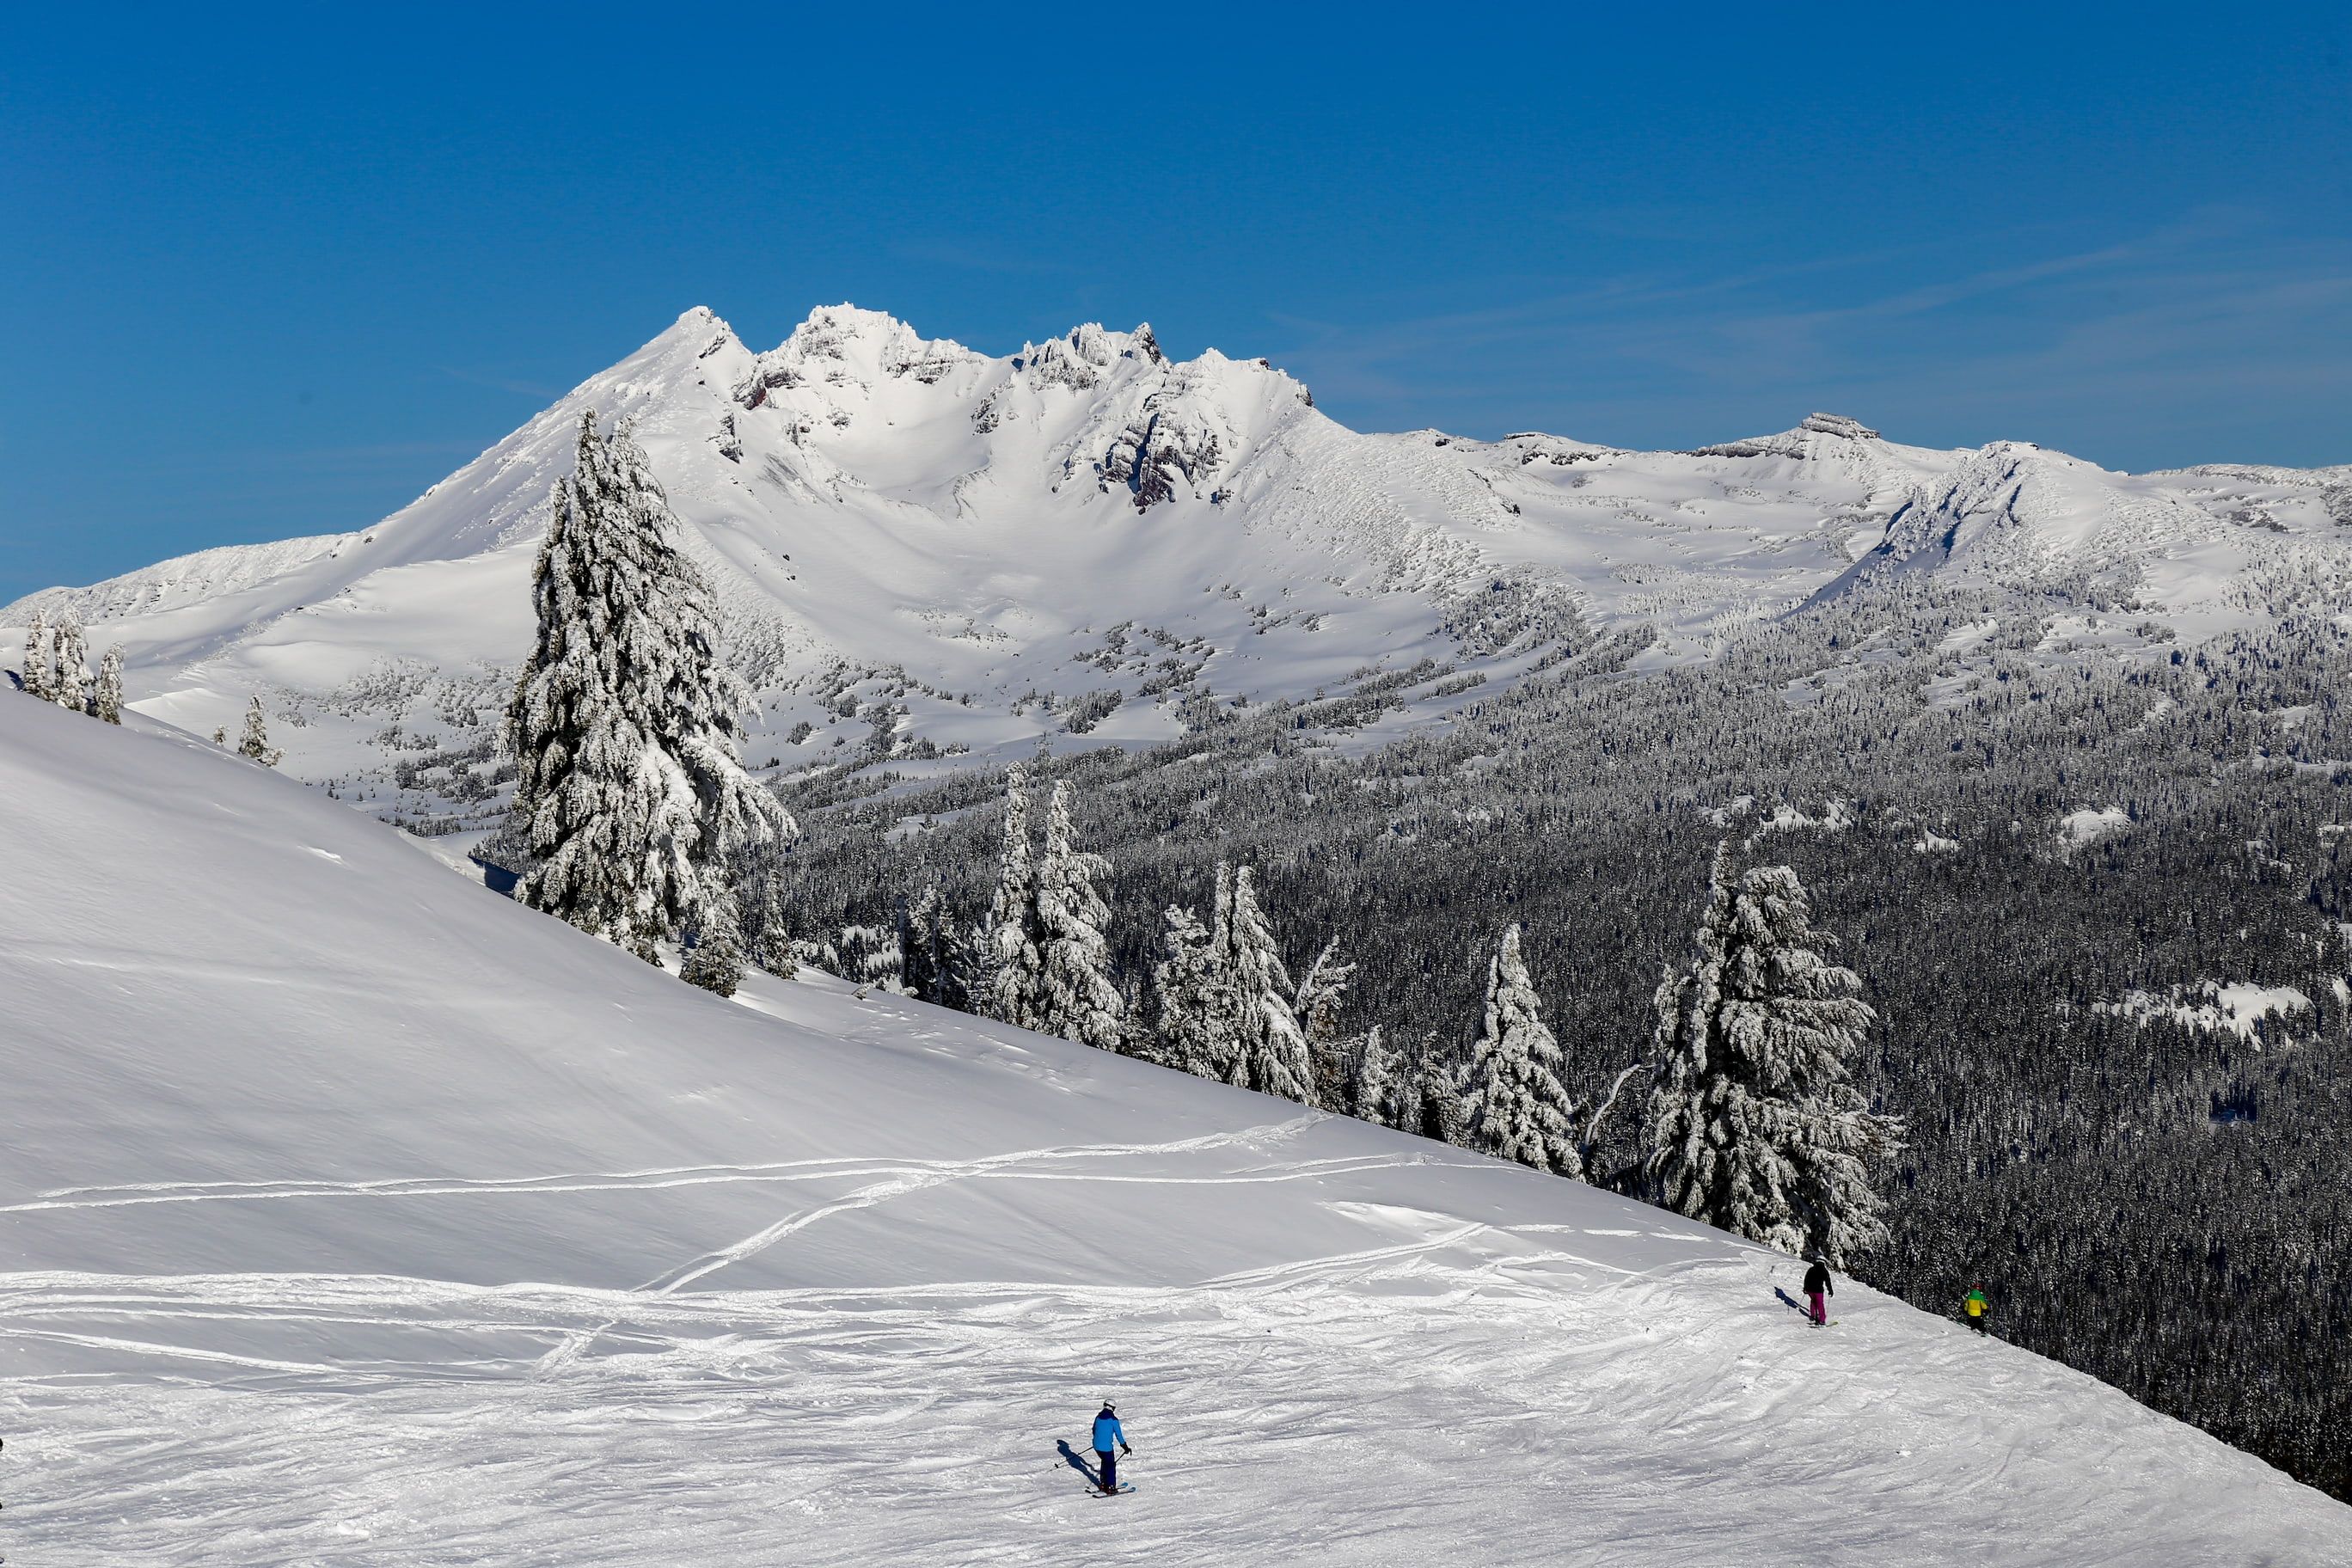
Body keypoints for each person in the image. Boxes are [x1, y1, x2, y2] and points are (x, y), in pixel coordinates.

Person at [1092, 1401, 1132, 1495]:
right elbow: (1119, 1435)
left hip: (1096, 1446)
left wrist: (1099, 1439)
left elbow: (1094, 1430)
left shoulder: (1098, 1417)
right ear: (1112, 1408)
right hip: (1106, 1448)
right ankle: (1110, 1486)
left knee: (1104, 1461)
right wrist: (1125, 1447)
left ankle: (1103, 1483)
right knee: (1110, 1466)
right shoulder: (1114, 1420)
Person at [1802, 1258, 1833, 1327]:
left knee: (1813, 1301)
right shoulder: (1824, 1271)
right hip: (1818, 1290)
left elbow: (1806, 1279)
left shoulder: (1811, 1269)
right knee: (1820, 1304)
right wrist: (1830, 1291)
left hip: (1810, 1290)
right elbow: (1828, 1282)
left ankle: (1813, 1316)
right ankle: (1822, 1320)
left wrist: (1805, 1288)